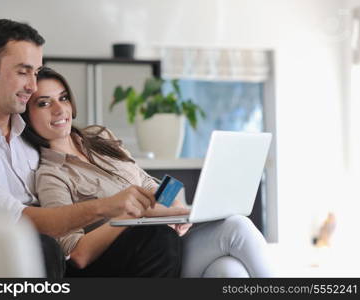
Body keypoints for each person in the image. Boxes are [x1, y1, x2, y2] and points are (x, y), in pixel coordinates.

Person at [0, 19, 158, 278]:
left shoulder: (30, 129)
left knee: (153, 240)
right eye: (23, 72)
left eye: (36, 72)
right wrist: (105, 206)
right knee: (42, 245)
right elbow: (14, 220)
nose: (32, 86)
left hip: (53, 252)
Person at [22, 67, 275, 278]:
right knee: (237, 227)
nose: (58, 109)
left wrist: (174, 208)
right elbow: (76, 254)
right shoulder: (51, 175)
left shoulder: (100, 137)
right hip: (143, 259)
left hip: (172, 238)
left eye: (63, 98)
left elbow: (151, 183)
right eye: (44, 103)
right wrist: (130, 215)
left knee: (229, 271)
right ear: (26, 116)